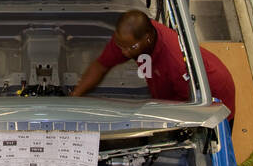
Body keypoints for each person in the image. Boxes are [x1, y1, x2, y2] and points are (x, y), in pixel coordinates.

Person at [71, 9, 235, 119]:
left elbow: (186, 109)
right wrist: (74, 98)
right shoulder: (129, 40)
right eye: (120, 46)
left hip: (214, 97)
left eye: (130, 48)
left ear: (147, 38)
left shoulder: (175, 62)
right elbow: (101, 65)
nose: (125, 53)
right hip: (172, 92)